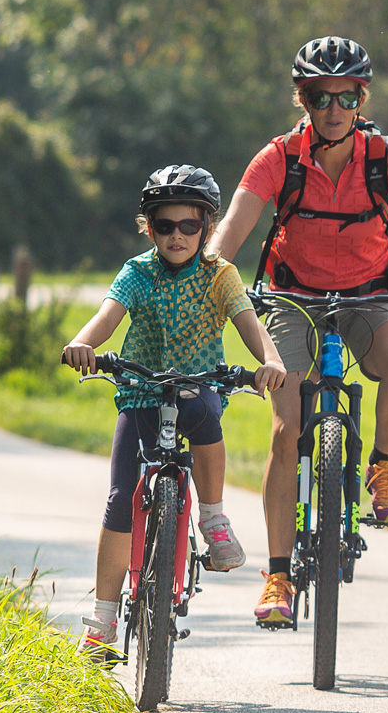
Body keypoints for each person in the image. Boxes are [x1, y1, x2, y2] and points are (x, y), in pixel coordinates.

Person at [207, 37, 388, 629]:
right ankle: (277, 575)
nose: (333, 108)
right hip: (291, 295)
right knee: (286, 426)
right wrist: (211, 281)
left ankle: (380, 462)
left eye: (346, 96)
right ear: (302, 99)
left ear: (361, 98)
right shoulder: (277, 157)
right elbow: (232, 230)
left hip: (373, 293)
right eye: (319, 96)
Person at [62, 165, 288, 662]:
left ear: (206, 227)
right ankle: (101, 621)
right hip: (141, 394)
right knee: (121, 497)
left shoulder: (219, 275)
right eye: (165, 226)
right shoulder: (137, 272)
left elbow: (249, 324)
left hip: (198, 387)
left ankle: (212, 518)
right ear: (149, 227)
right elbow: (107, 316)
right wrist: (83, 343)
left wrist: (269, 360)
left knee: (207, 416)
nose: (178, 236)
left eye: (190, 226)